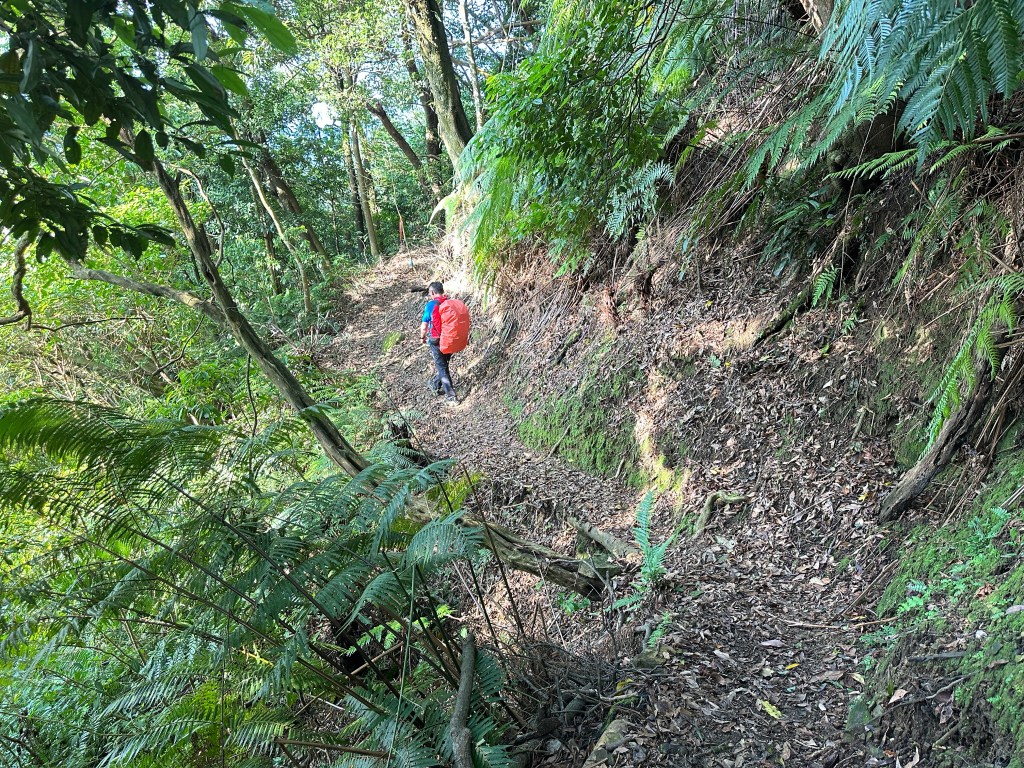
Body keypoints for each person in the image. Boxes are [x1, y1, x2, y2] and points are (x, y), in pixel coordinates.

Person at [420, 281, 458, 403]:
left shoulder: (431, 305)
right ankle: (435, 384)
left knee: (442, 367)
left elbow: (424, 326)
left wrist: (422, 337)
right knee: (443, 366)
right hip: (451, 339)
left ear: (432, 292)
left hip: (437, 341)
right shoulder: (449, 303)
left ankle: (451, 397)